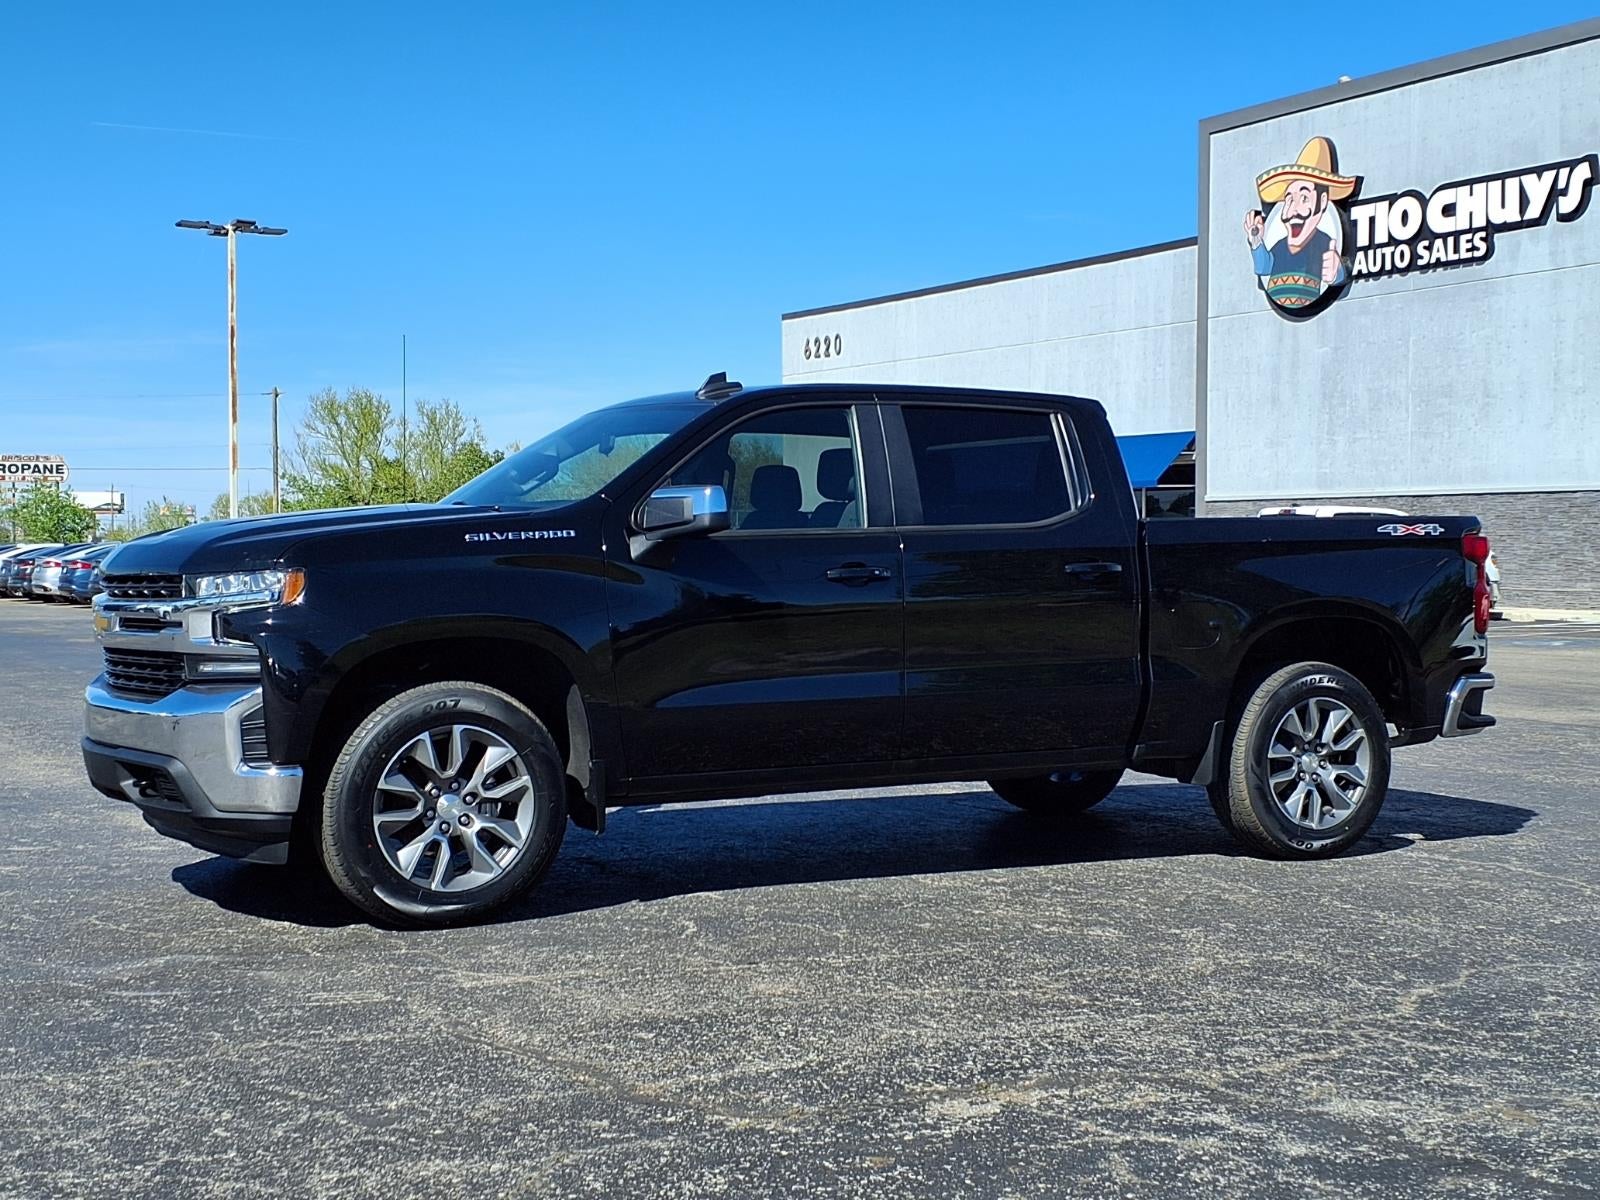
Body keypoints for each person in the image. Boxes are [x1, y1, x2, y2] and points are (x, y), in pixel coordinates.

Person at [1246, 136, 1357, 311]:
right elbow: (1263, 267)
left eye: (1304, 198)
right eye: (1288, 200)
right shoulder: (1279, 247)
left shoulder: (1324, 244)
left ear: (1322, 202)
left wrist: (1338, 273)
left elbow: (1336, 269)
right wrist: (1256, 241)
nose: (1292, 211)